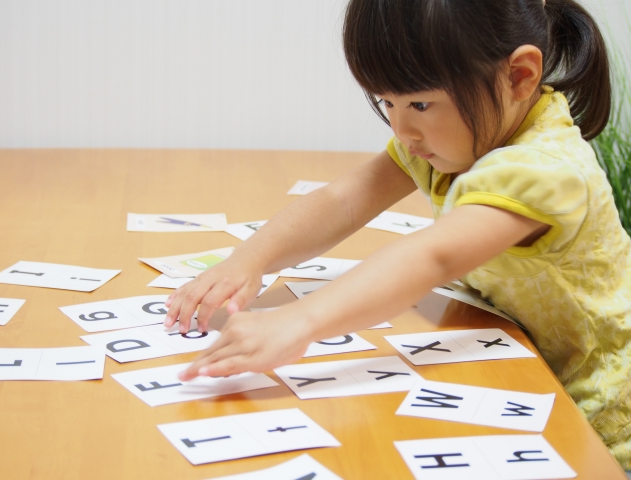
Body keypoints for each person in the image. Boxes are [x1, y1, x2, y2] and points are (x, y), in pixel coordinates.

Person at [164, 0, 631, 468]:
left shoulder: (546, 171)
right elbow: (343, 200)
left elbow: (433, 257)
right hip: (519, 368)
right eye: (387, 102)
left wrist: (299, 321)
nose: (402, 129)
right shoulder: (467, 133)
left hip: (602, 421)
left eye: (421, 104)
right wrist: (249, 260)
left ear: (519, 76)